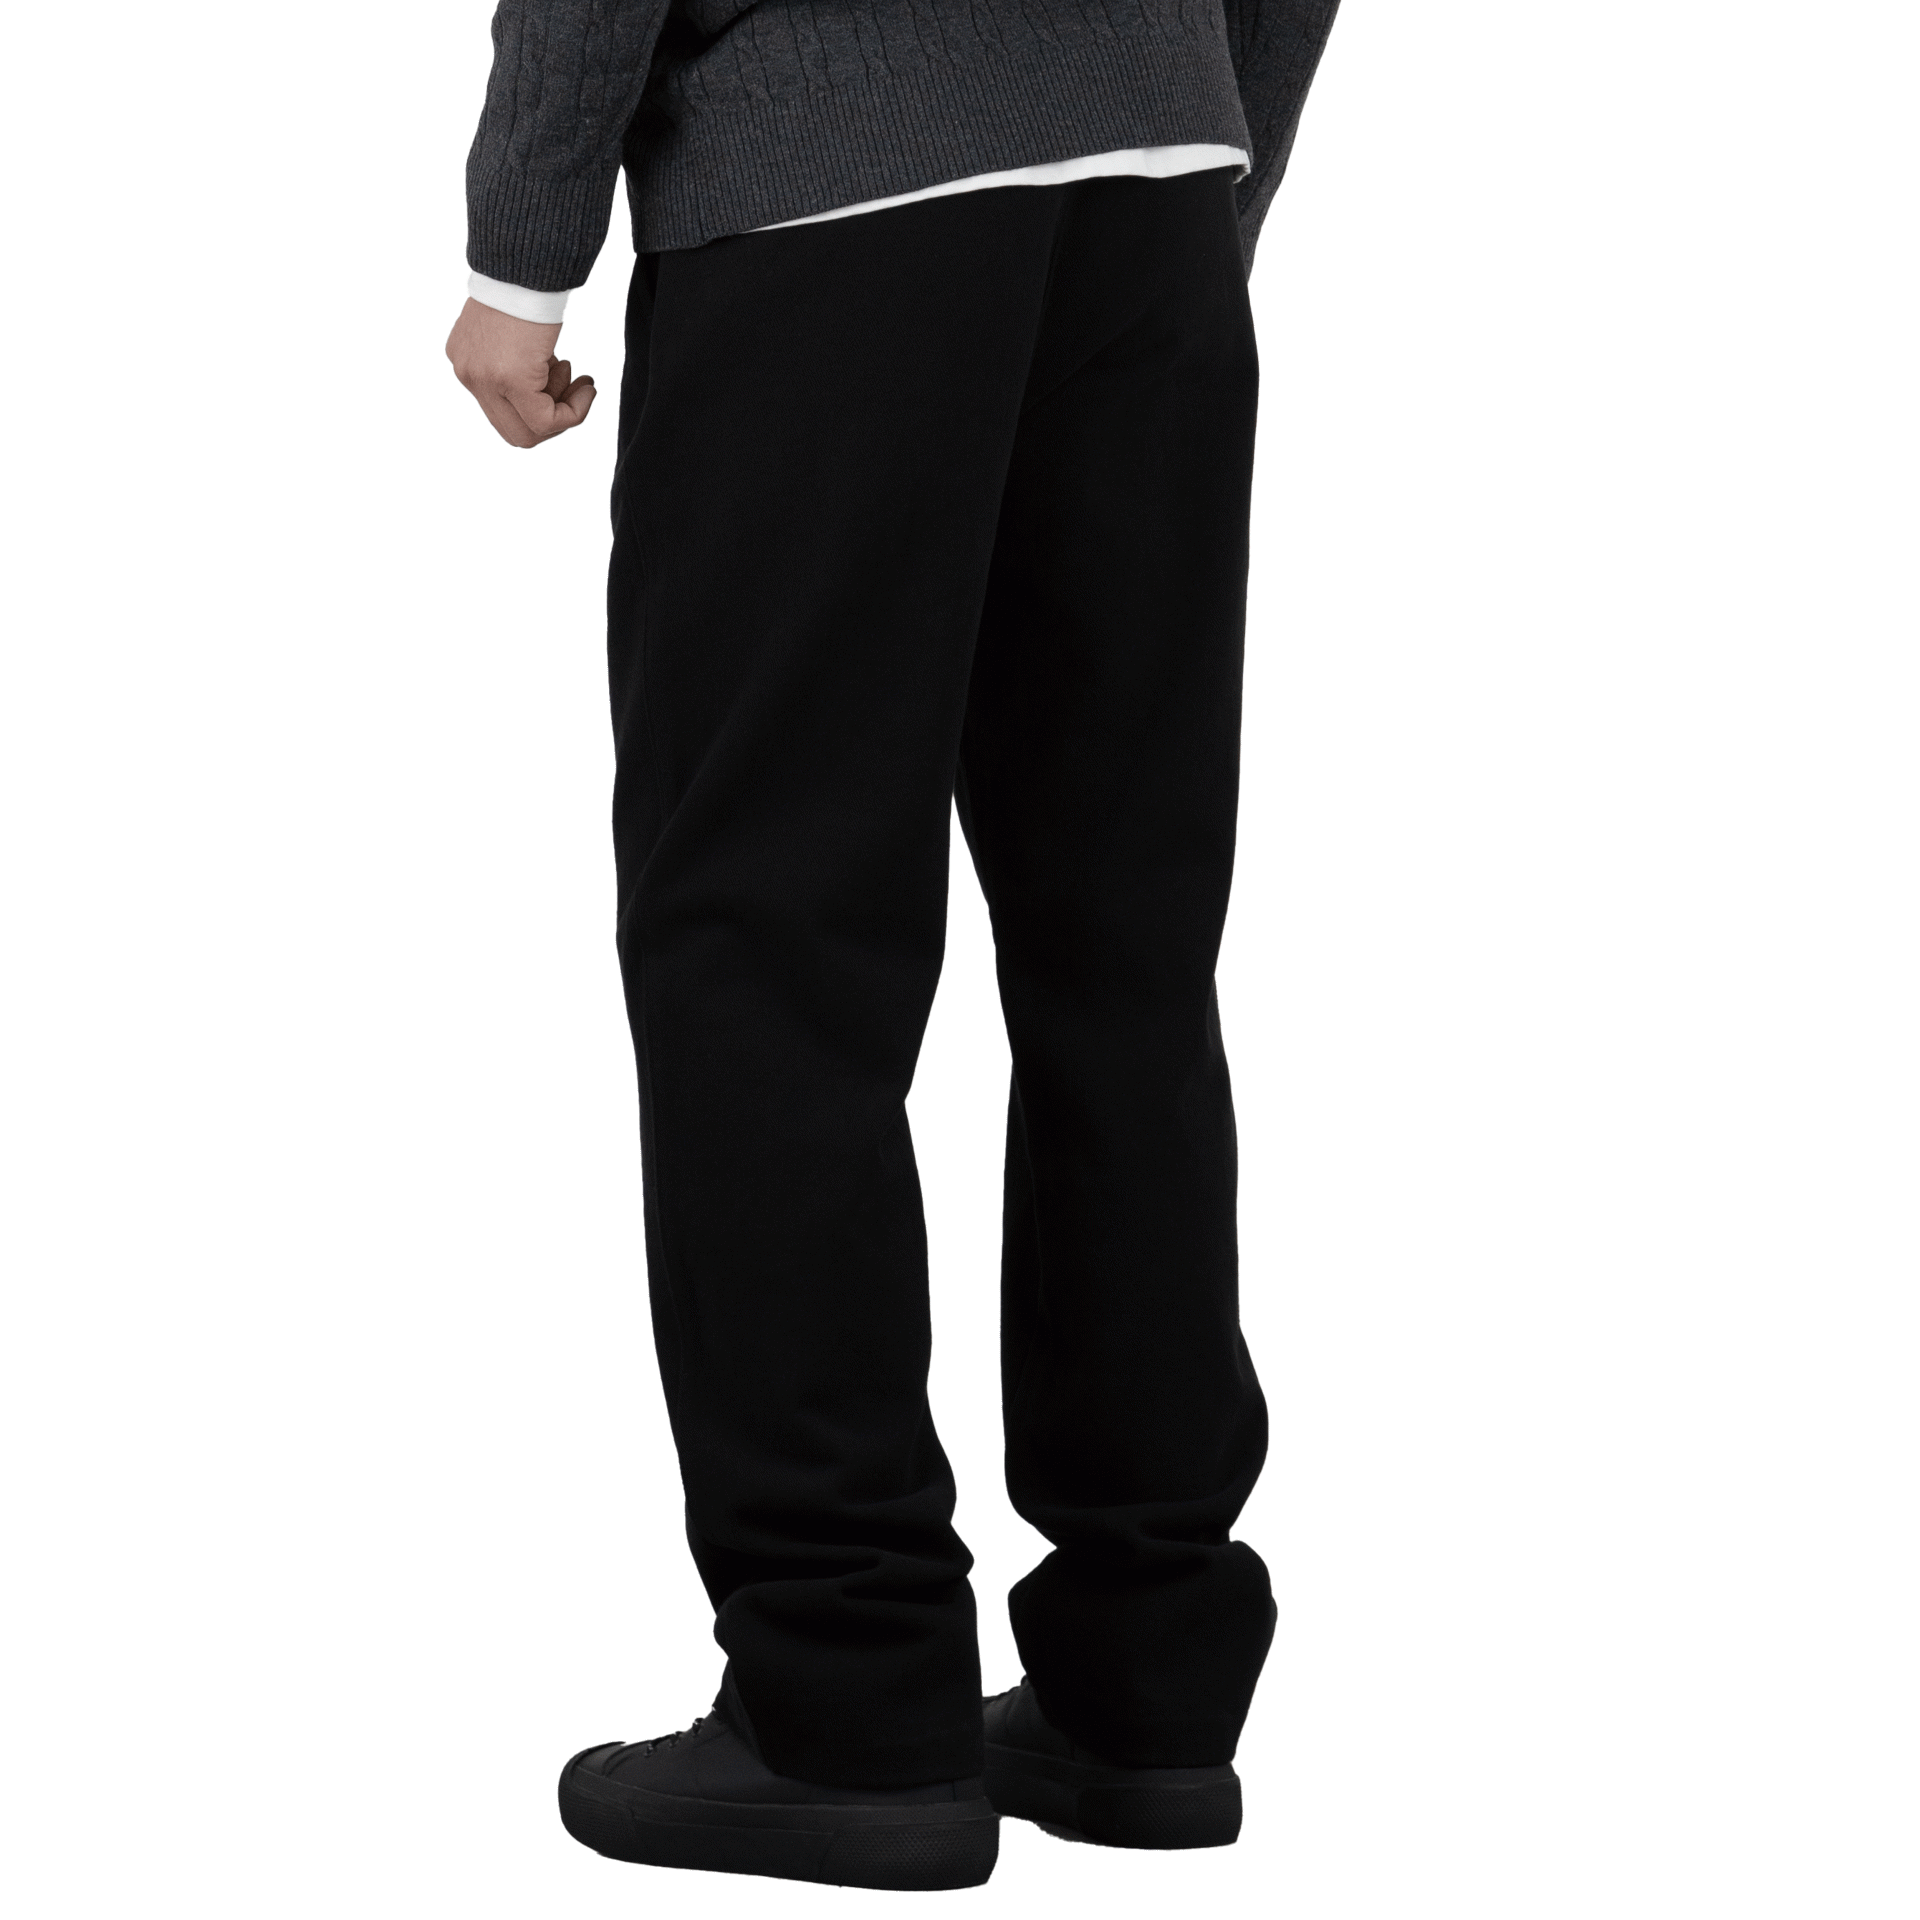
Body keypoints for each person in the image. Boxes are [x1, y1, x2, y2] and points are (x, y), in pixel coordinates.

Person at [445, 0, 1338, 1890]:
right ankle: (1146, 1681)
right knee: (1123, 952)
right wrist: (1198, 151)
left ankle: (845, 1703)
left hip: (830, 201)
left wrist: (521, 259)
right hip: (1157, 196)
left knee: (771, 952)